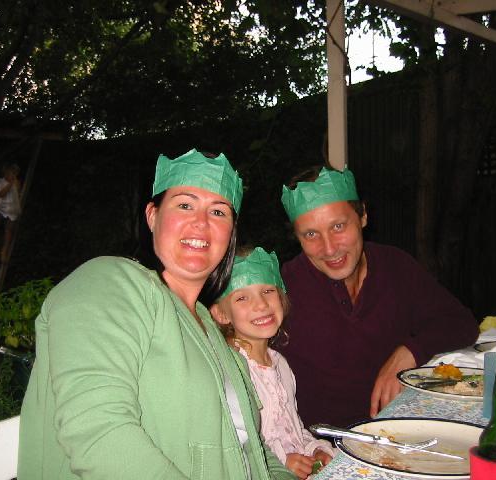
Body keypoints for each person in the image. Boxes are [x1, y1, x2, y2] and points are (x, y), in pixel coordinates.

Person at [17, 149, 296, 480]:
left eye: (218, 211)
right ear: (152, 216)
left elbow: (252, 448)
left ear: (230, 234)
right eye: (185, 205)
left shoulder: (212, 330)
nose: (201, 222)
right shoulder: (108, 284)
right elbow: (98, 435)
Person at [277, 165, 479, 427]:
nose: (329, 248)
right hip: (322, 443)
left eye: (338, 226)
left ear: (363, 216)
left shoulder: (396, 266)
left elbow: (460, 323)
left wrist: (408, 353)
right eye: (311, 234)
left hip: (401, 430)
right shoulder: (281, 288)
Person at [210, 247, 334, 479]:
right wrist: (281, 461)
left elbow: (293, 429)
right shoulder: (230, 370)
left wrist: (316, 450)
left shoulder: (281, 364)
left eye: (268, 291)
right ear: (221, 314)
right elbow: (236, 445)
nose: (261, 305)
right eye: (242, 297)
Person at [0, 163, 21, 261]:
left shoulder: (16, 183)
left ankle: (4, 251)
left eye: (14, 173)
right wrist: (10, 184)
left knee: (9, 230)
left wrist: (15, 184)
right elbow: (2, 194)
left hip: (10, 212)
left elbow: (17, 194)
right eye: (11, 172)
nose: (12, 175)